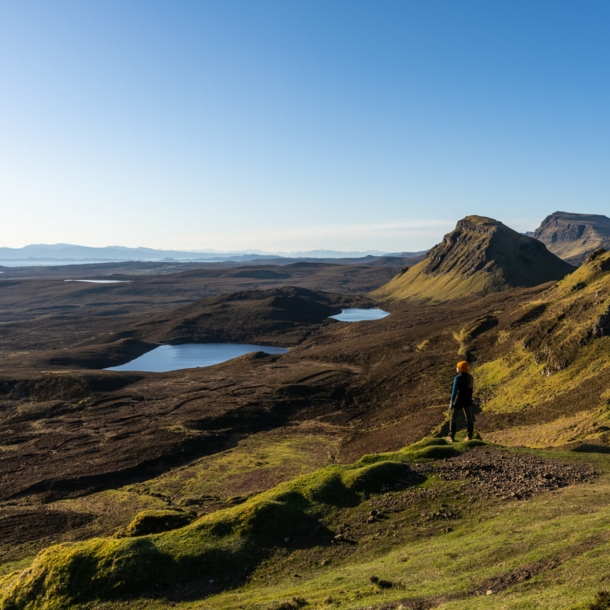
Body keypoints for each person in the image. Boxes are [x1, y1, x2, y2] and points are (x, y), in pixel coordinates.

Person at [446, 360, 474, 442]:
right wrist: (469, 398)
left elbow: (454, 391)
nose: (456, 368)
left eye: (457, 367)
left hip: (459, 400)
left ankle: (451, 436)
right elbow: (471, 390)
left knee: (454, 418)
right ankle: (469, 436)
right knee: (469, 418)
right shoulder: (470, 377)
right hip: (468, 400)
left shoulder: (457, 378)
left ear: (460, 369)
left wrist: (451, 402)